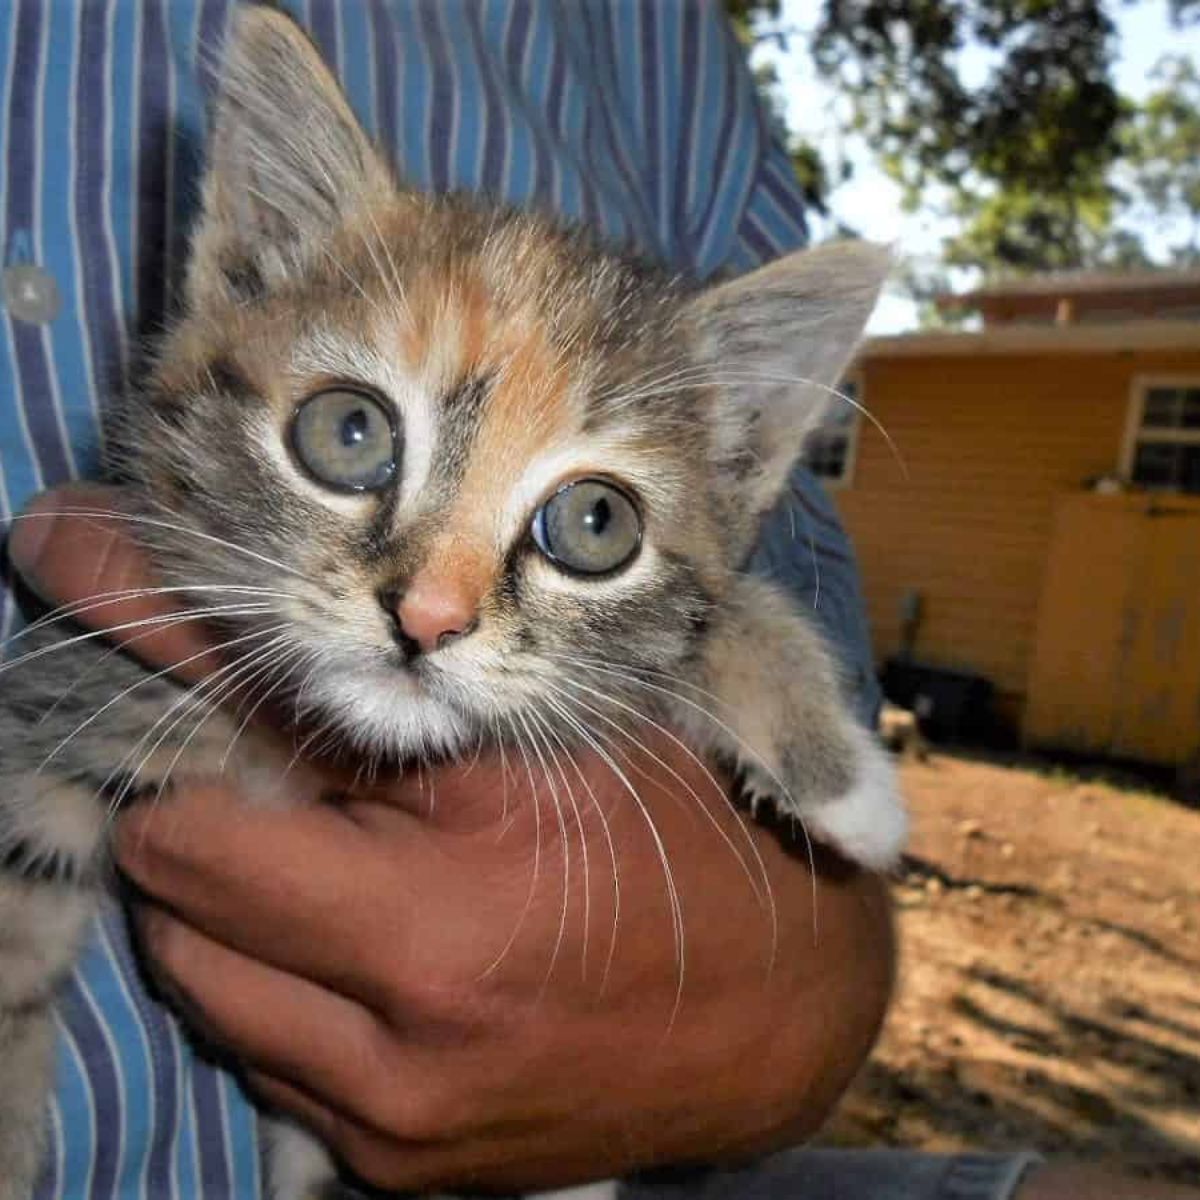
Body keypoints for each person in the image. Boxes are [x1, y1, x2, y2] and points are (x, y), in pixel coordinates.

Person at [3, 4, 1196, 1199]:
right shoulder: (161, 633)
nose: (433, 606)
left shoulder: (668, 46)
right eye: (352, 433)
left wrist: (796, 974)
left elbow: (727, 604)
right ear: (247, 270)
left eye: (590, 523)